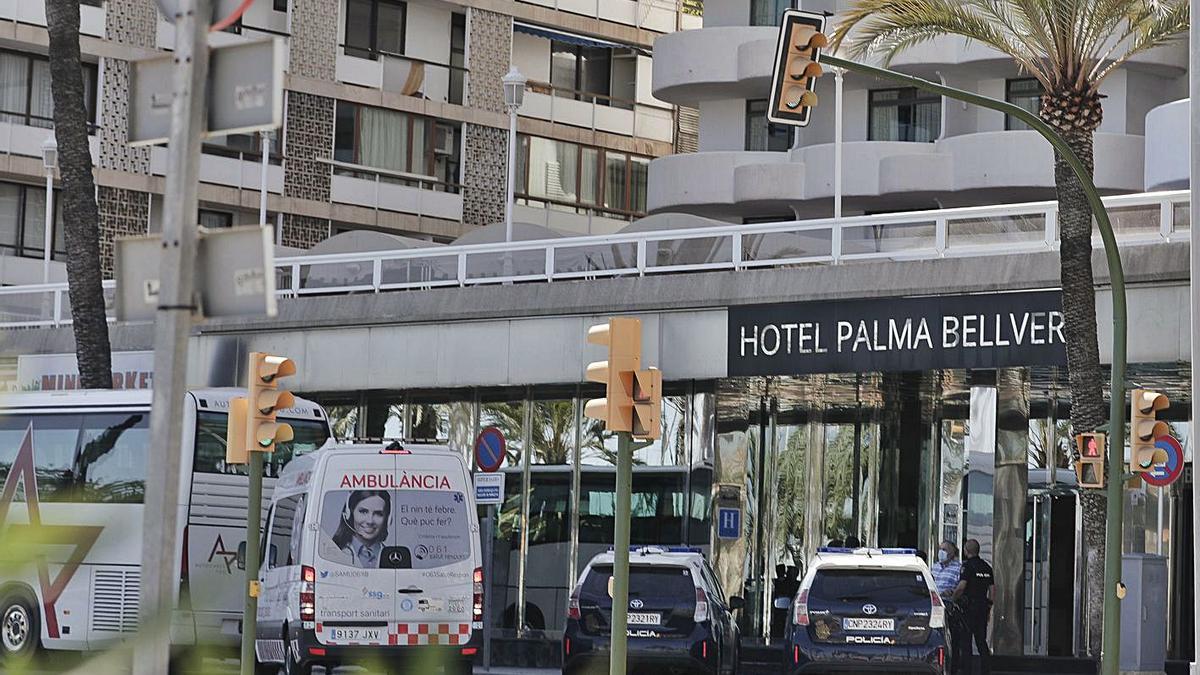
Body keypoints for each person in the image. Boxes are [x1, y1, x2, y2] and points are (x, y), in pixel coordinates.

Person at [953, 539, 993, 675]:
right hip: (982, 607)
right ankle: (985, 671)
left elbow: (961, 587)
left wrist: (953, 599)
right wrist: (989, 606)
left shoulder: (967, 566)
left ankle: (967, 671)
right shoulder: (987, 567)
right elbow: (992, 590)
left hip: (968, 608)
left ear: (966, 551)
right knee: (981, 641)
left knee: (966, 641)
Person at [332, 490, 391, 568]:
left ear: (387, 519)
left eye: (378, 514)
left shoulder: (392, 556)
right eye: (363, 512)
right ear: (349, 514)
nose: (370, 521)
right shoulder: (333, 553)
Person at [933, 541, 966, 674]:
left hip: (949, 608)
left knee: (952, 640)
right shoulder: (934, 567)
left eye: (945, 550)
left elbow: (961, 589)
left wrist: (951, 594)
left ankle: (953, 668)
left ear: (952, 553)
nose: (942, 552)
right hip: (935, 607)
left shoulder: (958, 568)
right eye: (940, 549)